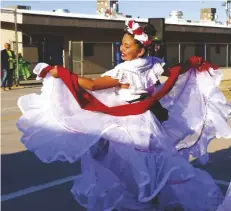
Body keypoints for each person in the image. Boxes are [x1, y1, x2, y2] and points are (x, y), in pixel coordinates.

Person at [17, 20, 231, 211]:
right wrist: (192, 66)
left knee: (124, 165)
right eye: (121, 44)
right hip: (149, 120)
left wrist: (62, 73)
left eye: (127, 46)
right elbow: (175, 72)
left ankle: (141, 199)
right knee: (154, 162)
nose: (122, 49)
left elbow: (91, 85)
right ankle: (152, 197)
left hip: (129, 122)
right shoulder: (152, 63)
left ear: (139, 50)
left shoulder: (124, 70)